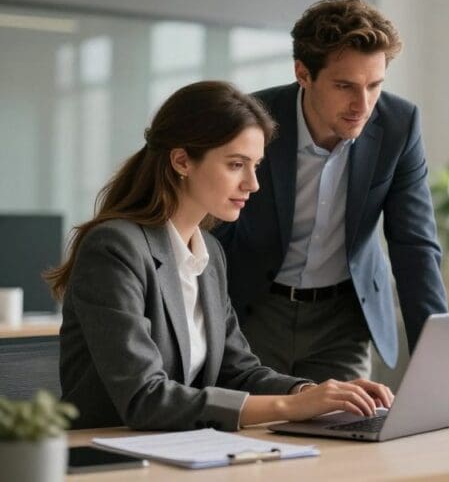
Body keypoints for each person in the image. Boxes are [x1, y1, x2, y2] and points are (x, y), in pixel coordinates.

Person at [45, 81, 392, 431]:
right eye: (236, 165)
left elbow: (237, 372)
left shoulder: (209, 252)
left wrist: (317, 393)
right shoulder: (114, 249)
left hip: (181, 448)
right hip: (109, 455)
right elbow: (145, 399)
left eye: (255, 165)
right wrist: (290, 404)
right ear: (182, 161)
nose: (253, 184)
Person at [214, 0, 448, 382]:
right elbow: (214, 229)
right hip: (254, 308)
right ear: (303, 73)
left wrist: (444, 361)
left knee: (349, 427)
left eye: (374, 85)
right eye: (345, 86)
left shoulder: (399, 124)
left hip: (343, 317)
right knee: (249, 428)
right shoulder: (252, 118)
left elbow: (415, 244)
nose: (363, 104)